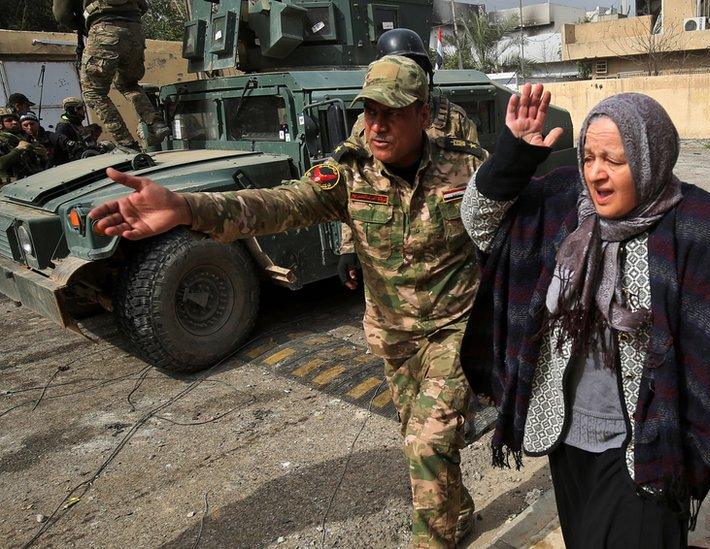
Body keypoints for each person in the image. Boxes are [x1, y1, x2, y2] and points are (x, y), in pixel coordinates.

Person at [90, 55, 484, 548]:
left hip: (457, 327)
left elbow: (506, 229)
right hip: (395, 335)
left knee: (430, 441)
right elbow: (277, 204)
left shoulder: (466, 167)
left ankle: (436, 539)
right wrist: (187, 208)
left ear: (423, 114)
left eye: (393, 112)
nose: (377, 125)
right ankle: (456, 513)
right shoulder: (349, 174)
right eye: (370, 112)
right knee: (419, 440)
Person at [459, 85, 710, 547]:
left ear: (650, 159)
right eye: (588, 157)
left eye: (615, 161)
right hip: (567, 436)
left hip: (648, 442)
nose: (596, 175)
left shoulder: (699, 223)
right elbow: (479, 220)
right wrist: (514, 155)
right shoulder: (564, 203)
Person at [336, 28, 478, 291]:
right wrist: (348, 245)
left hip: (444, 248)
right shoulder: (365, 126)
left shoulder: (454, 119)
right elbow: (355, 185)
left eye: (413, 67)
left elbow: (475, 185)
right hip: (388, 240)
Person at [52, 0, 170, 150]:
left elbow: (61, 14)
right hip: (135, 31)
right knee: (128, 84)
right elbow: (144, 6)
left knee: (93, 92)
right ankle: (156, 123)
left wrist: (86, 25)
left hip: (104, 29)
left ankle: (127, 143)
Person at [0, 113, 48, 185]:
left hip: (36, 181)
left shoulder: (24, 138)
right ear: (1, 124)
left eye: (16, 119)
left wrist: (43, 155)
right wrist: (18, 150)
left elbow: (37, 163)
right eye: (9, 120)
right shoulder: (1, 140)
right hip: (14, 186)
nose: (15, 122)